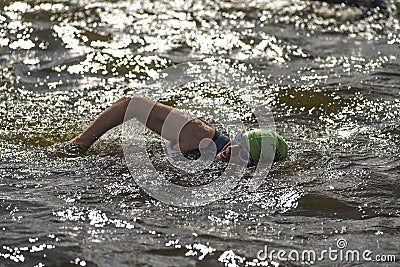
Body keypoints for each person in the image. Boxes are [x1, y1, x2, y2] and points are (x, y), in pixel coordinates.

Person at [59, 95, 288, 165]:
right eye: (240, 139)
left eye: (244, 153)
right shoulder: (199, 135)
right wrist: (80, 144)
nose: (233, 149)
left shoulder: (246, 180)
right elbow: (131, 105)